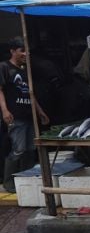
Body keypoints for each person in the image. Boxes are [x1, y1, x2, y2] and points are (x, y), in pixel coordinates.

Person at [0, 37, 49, 193]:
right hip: (16, 116)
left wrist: (40, 111)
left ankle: (26, 181)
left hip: (29, 115)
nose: (26, 54)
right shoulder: (4, 67)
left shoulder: (24, 70)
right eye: (22, 50)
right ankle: (9, 183)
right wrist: (5, 110)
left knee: (29, 149)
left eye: (26, 50)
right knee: (18, 149)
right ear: (12, 51)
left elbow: (30, 93)